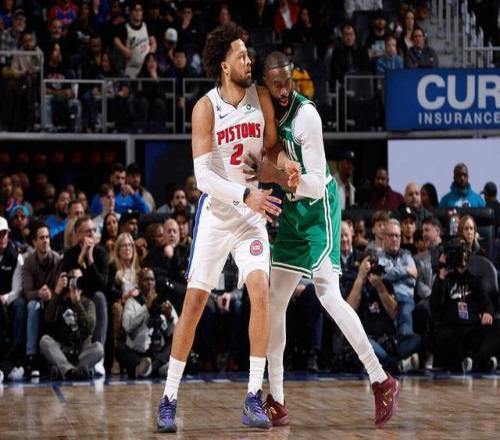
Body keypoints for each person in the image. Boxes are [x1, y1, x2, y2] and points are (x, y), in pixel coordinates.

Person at [156, 23, 299, 433]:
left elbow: (271, 149)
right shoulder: (205, 108)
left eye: (249, 54)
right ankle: (168, 397)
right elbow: (203, 178)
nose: (249, 61)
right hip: (219, 215)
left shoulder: (261, 98)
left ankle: (253, 395)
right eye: (241, 56)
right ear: (224, 65)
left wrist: (284, 166)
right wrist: (245, 194)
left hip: (251, 216)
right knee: (194, 304)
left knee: (261, 294)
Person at [249, 51, 399, 429]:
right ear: (266, 84)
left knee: (327, 294)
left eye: (288, 82)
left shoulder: (306, 116)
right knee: (274, 302)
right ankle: (277, 399)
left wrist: (283, 178)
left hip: (318, 210)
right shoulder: (265, 109)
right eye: (276, 84)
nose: (284, 90)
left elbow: (316, 182)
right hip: (292, 213)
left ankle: (381, 379)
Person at [430, 238, 500, 372]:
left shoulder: (474, 280)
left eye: (465, 252)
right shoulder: (445, 279)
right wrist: (442, 273)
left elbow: (487, 303)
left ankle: (475, 361)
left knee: (498, 326)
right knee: (446, 340)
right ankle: (483, 363)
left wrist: (487, 312)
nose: (463, 255)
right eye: (460, 252)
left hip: (473, 330)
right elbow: (434, 304)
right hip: (453, 331)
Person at [40, 268, 104, 380]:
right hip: (62, 350)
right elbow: (48, 319)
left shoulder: (88, 303)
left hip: (81, 352)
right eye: (75, 279)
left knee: (99, 348)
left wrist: (77, 303)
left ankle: (66, 370)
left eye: (80, 280)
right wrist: (57, 291)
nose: (77, 283)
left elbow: (89, 328)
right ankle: (75, 370)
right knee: (44, 341)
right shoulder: (60, 300)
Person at [120, 267, 178, 378]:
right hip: (139, 352)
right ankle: (158, 368)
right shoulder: (131, 302)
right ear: (139, 283)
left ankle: (149, 369)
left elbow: (176, 332)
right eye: (146, 279)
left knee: (175, 343)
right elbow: (127, 326)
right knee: (121, 350)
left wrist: (170, 318)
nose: (149, 282)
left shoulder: (164, 303)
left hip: (158, 352)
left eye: (152, 279)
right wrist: (146, 307)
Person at [22, 222, 62, 378]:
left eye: (47, 237)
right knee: (32, 306)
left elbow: (60, 288)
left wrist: (51, 293)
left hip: (53, 300)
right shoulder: (29, 261)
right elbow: (27, 293)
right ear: (34, 242)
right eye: (41, 238)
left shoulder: (57, 260)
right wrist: (40, 293)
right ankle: (31, 357)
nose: (45, 241)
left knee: (58, 304)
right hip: (37, 300)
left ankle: (56, 358)